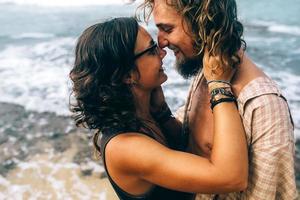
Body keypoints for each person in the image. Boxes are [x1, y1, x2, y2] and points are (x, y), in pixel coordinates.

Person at [69, 17, 248, 200]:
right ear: (127, 75)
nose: (162, 52)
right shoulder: (126, 148)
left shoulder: (141, 116)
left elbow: (184, 148)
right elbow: (231, 177)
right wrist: (219, 85)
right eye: (151, 49)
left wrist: (163, 114)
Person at [137, 0, 298, 199]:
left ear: (202, 24)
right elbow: (191, 145)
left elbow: (265, 194)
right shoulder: (208, 72)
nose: (161, 42)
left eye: (167, 29)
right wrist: (162, 113)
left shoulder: (265, 105)